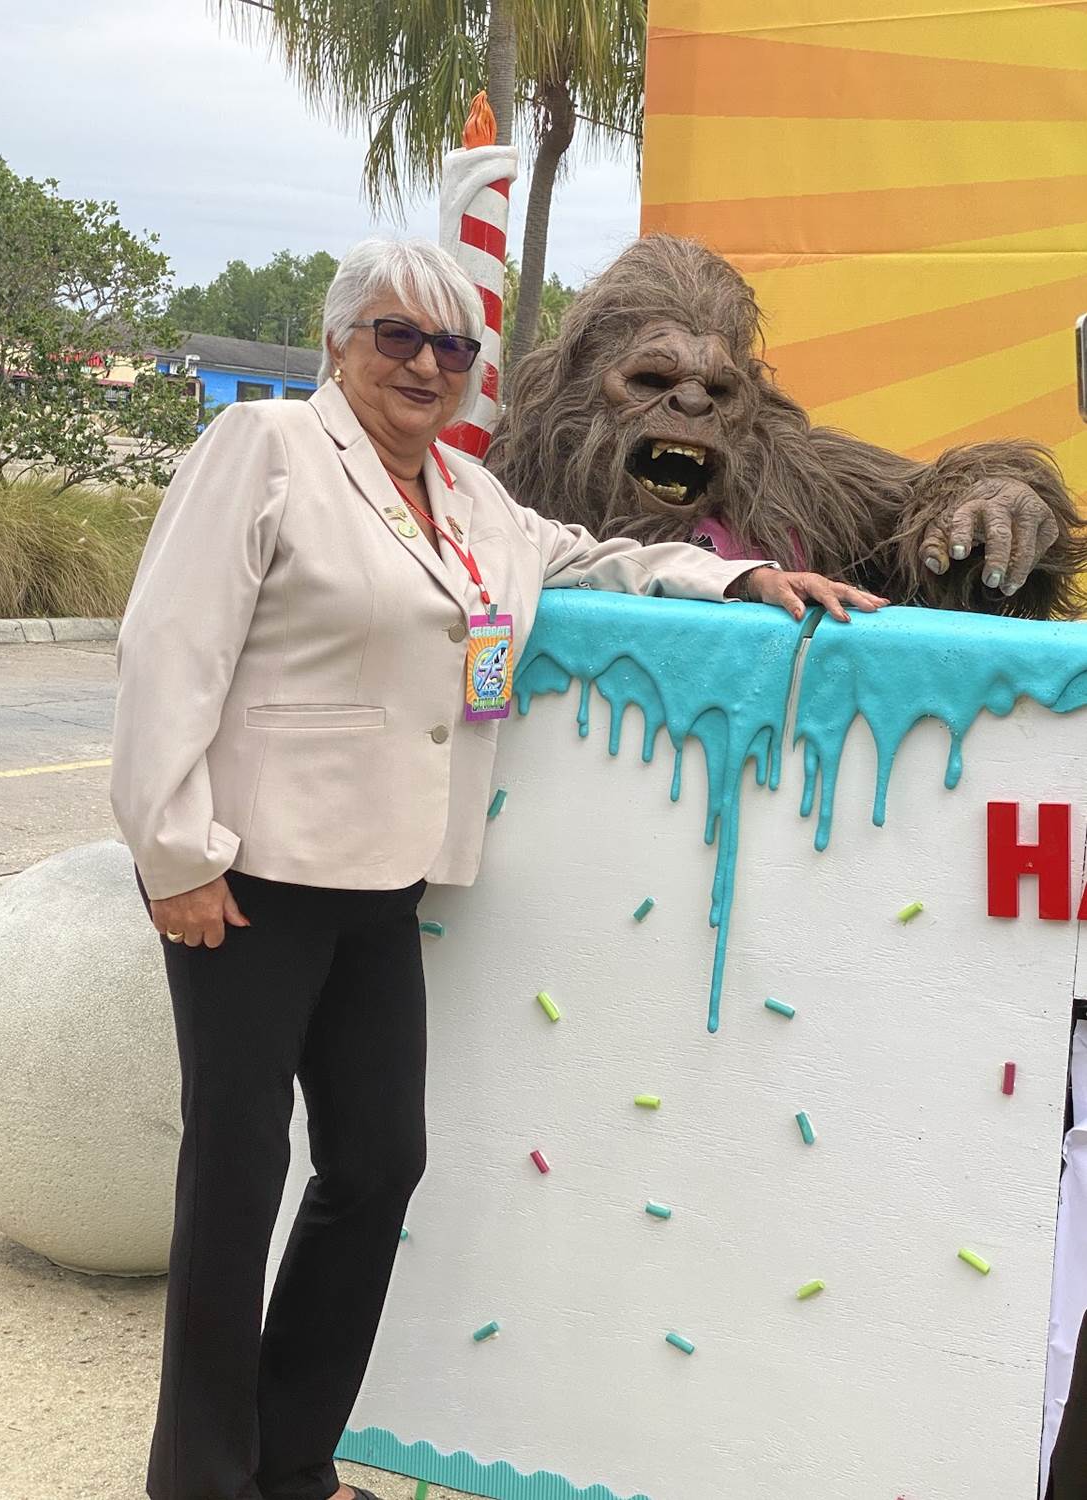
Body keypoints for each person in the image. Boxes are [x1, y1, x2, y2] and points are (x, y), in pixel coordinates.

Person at [109, 236, 887, 1500]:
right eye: (398, 337)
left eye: (452, 346)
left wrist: (739, 573)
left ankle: (293, 1462)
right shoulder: (267, 449)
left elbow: (588, 557)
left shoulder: (470, 497)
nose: (426, 365)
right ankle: (201, 1481)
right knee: (236, 1183)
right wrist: (173, 854)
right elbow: (166, 650)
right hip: (249, 881)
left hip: (387, 881)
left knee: (378, 1165)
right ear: (340, 344)